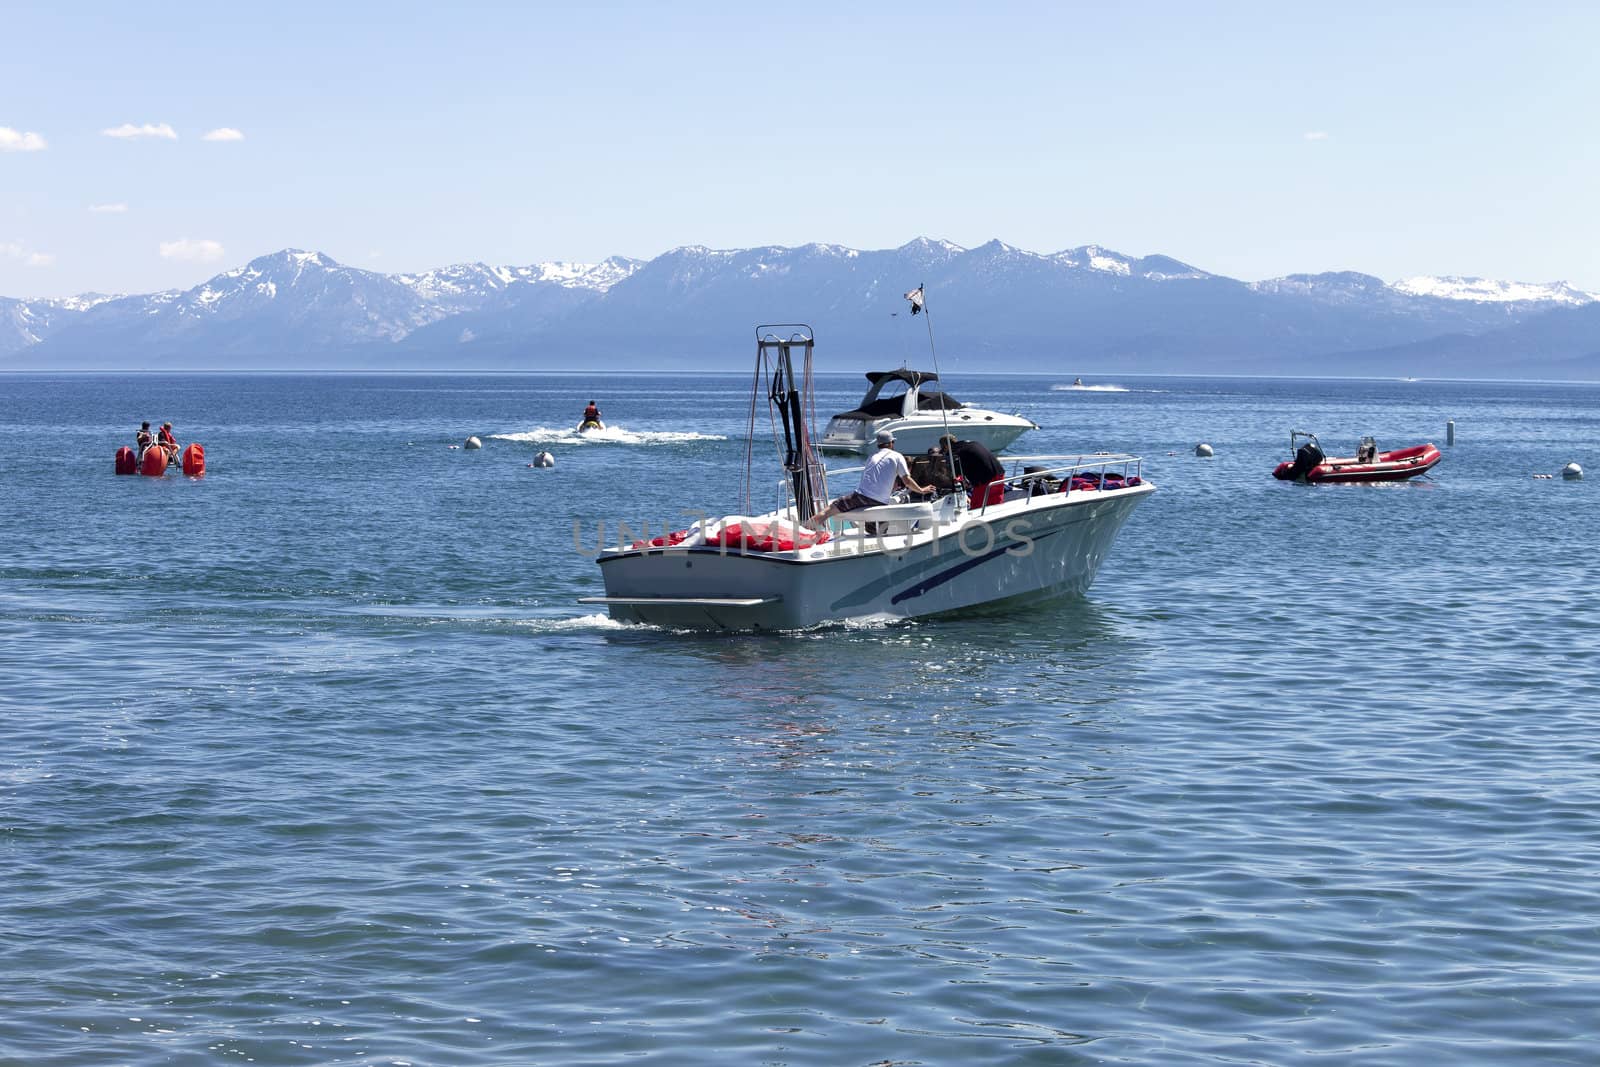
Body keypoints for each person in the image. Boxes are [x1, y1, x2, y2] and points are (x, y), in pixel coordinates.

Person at [805, 429, 934, 529]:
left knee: (828, 510)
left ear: (879, 444)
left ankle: (804, 530)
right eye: (893, 442)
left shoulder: (871, 457)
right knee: (874, 530)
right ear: (890, 443)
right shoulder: (897, 456)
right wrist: (922, 490)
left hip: (859, 497)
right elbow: (907, 480)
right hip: (879, 502)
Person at [936, 434, 1006, 508]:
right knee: (996, 502)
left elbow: (957, 476)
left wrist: (959, 492)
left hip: (985, 479)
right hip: (999, 473)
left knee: (977, 506)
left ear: (946, 446)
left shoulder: (955, 452)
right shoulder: (970, 443)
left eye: (944, 450)